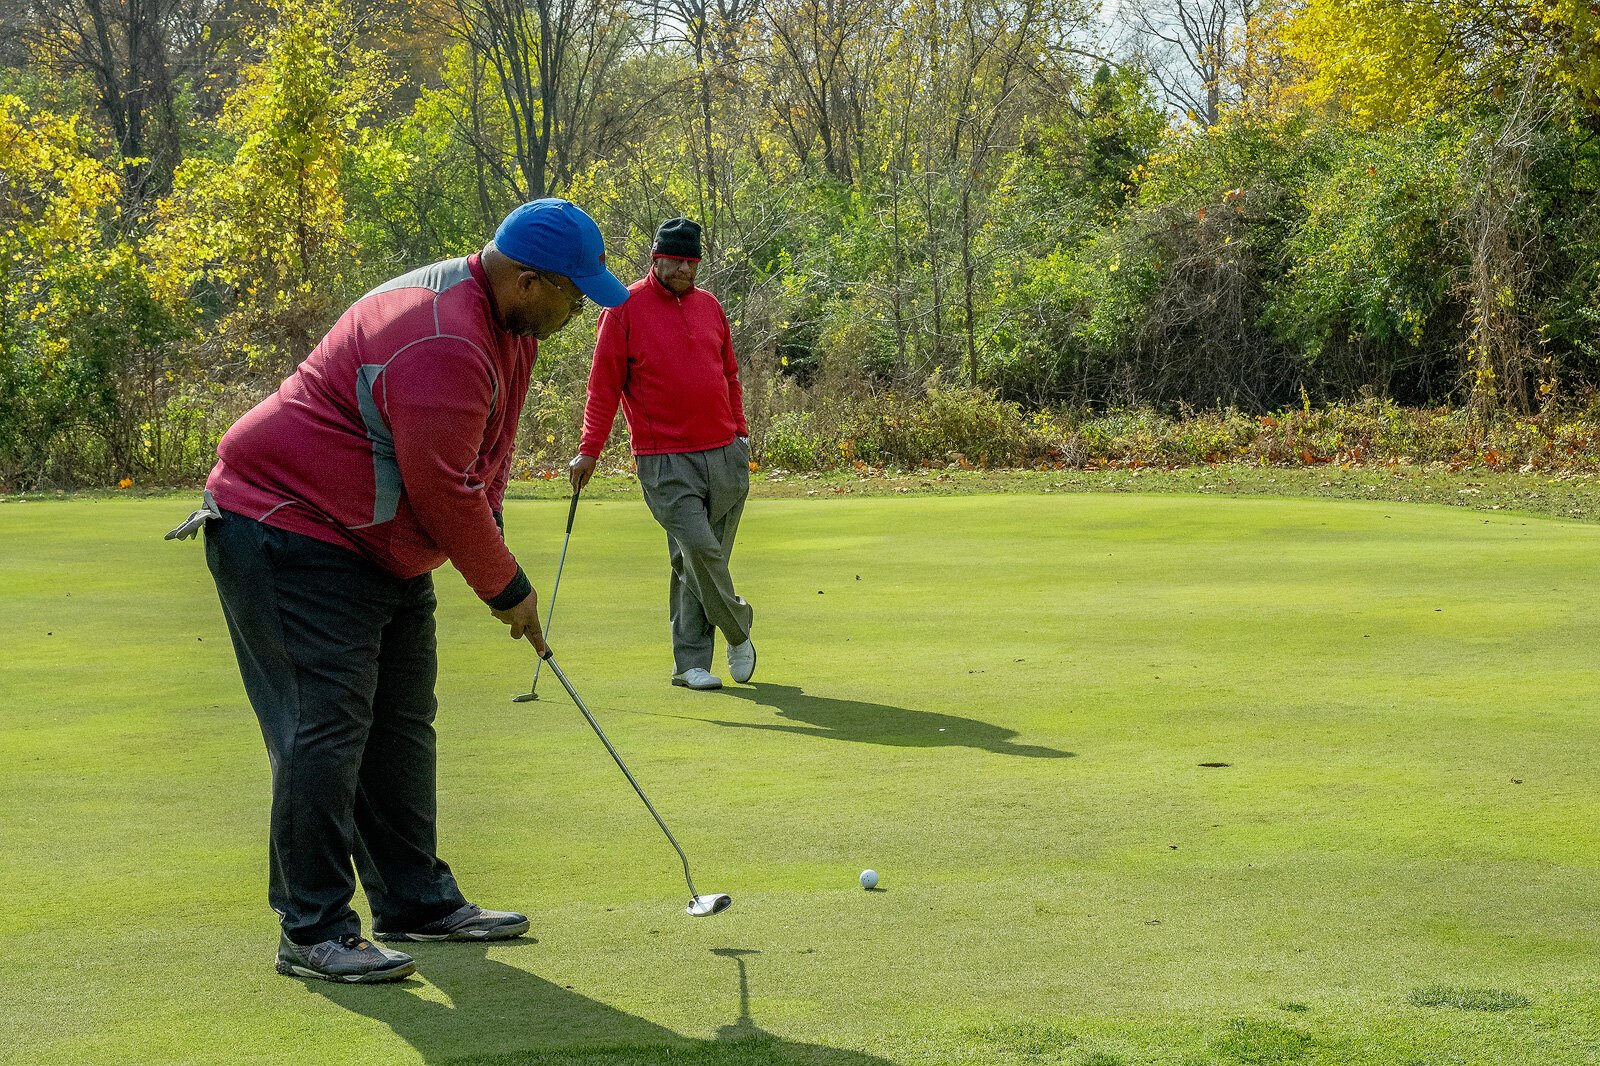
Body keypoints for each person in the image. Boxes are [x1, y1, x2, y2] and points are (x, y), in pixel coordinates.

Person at [172, 198, 630, 984]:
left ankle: (414, 899)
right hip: (288, 527)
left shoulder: (508, 328)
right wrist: (506, 586)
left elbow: (487, 459)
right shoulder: (445, 339)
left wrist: (494, 553)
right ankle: (312, 929)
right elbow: (441, 486)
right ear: (526, 281)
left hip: (376, 544)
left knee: (400, 726)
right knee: (322, 729)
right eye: (573, 293)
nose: (580, 309)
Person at [567, 217, 755, 692]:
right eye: (674, 261)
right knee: (698, 549)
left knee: (693, 563)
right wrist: (590, 449)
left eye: (691, 263)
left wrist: (741, 434)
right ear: (655, 259)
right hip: (664, 458)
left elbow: (730, 375)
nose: (683, 270)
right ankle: (738, 628)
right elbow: (603, 386)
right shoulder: (623, 308)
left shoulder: (711, 307)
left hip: (725, 454)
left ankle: (689, 663)